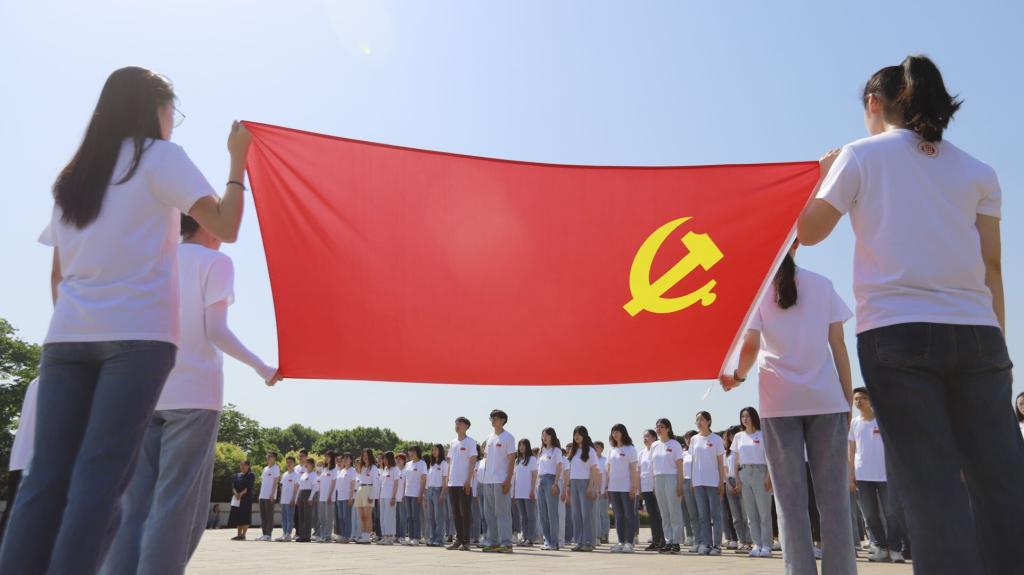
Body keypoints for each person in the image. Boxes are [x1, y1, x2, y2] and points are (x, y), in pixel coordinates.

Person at [0, 67, 252, 575]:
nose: (173, 121)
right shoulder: (160, 157)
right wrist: (237, 160)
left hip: (67, 338)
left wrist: (82, 323)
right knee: (100, 482)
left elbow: (59, 274)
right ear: (155, 108)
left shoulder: (76, 173)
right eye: (173, 111)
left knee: (44, 479)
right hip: (137, 338)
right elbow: (225, 226)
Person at [797, 54, 1023, 575]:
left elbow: (808, 232)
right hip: (979, 334)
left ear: (874, 103)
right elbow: (992, 265)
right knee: (1002, 480)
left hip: (896, 334)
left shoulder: (859, 156)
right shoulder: (979, 171)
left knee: (931, 485)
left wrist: (821, 176)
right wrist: (999, 349)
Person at [99, 212, 279, 572]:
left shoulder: (152, 259)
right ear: (206, 224)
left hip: (143, 392)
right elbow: (216, 330)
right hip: (194, 393)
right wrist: (262, 366)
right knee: (176, 506)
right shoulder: (216, 262)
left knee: (134, 504)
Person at [720, 242, 856, 574]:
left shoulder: (758, 289)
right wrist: (846, 398)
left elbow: (751, 345)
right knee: (834, 502)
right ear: (796, 242)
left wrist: (738, 376)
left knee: (790, 504)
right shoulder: (823, 284)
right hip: (826, 400)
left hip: (779, 403)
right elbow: (838, 344)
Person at [849, 387, 905, 562]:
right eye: (856, 399)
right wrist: (850, 475)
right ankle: (880, 547)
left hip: (885, 475)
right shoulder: (854, 423)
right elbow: (851, 450)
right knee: (869, 514)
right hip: (862, 475)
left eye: (863, 398)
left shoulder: (883, 421)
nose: (859, 402)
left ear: (871, 400)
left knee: (891, 513)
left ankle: (895, 549)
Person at [1, 377, 39, 541]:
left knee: (13, 520)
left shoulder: (36, 382)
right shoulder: (63, 380)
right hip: (41, 461)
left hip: (20, 460)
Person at [733, 407, 773, 557]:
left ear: (754, 417)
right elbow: (736, 459)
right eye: (743, 416)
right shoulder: (738, 436)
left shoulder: (763, 434)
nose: (745, 419)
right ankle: (757, 543)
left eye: (748, 416)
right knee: (750, 513)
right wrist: (737, 478)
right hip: (744, 472)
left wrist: (769, 476)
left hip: (760, 472)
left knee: (764, 512)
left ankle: (767, 545)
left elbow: (770, 457)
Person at [688, 412, 727, 556]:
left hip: (713, 482)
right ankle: (706, 543)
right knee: (703, 516)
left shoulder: (716, 439)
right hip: (698, 482)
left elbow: (720, 463)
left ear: (709, 421)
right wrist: (692, 481)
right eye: (697, 420)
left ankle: (717, 544)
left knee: (716, 515)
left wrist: (721, 482)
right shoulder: (694, 439)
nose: (699, 422)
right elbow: (693, 461)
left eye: (702, 420)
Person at [479, 409, 516, 553]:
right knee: (489, 513)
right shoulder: (489, 438)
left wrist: (508, 479)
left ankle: (506, 543)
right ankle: (493, 542)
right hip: (488, 480)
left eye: (495, 418)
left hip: (501, 480)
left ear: (502, 420)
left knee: (502, 512)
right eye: (491, 418)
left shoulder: (508, 437)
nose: (492, 420)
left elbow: (512, 459)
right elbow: (486, 459)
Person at [651, 418, 685, 554]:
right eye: (657, 427)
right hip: (658, 478)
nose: (659, 429)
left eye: (662, 427)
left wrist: (680, 483)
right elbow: (653, 466)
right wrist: (654, 484)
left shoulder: (675, 444)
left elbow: (680, 465)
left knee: (674, 511)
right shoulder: (654, 445)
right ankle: (668, 541)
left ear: (668, 429)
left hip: (672, 478)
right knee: (664, 512)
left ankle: (676, 542)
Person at [565, 426, 600, 552]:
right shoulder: (573, 452)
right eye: (575, 434)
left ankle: (588, 542)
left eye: (579, 434)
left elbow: (594, 469)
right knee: (576, 515)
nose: (577, 436)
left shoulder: (590, 450)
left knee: (587, 515)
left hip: (585, 482)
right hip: (574, 483)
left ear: (584, 435)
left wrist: (591, 486)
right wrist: (568, 486)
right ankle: (579, 541)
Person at [606, 424, 639, 553]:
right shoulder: (611, 450)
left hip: (626, 488)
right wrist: (607, 486)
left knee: (629, 515)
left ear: (623, 433)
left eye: (617, 432)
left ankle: (629, 542)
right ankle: (620, 542)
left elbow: (634, 470)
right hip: (614, 487)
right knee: (618, 516)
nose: (615, 434)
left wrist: (633, 487)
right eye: (613, 432)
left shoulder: (630, 449)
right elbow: (608, 470)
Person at [446, 417, 478, 551]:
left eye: (459, 423)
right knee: (455, 513)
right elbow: (450, 463)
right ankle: (458, 539)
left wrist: (468, 480)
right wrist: (447, 480)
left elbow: (473, 461)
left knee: (465, 512)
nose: (457, 426)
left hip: (464, 482)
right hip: (452, 483)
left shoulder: (471, 442)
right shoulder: (453, 443)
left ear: (466, 426)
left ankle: (466, 541)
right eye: (456, 423)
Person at [722, 426, 752, 553]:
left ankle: (749, 541)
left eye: (734, 434)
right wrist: (728, 484)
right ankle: (741, 541)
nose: (732, 437)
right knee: (736, 516)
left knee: (745, 514)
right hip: (729, 481)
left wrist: (739, 481)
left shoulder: (742, 450)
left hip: (741, 480)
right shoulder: (726, 453)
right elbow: (724, 469)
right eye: (730, 435)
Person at [638, 429, 665, 552]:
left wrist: (655, 485)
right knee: (652, 515)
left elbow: (657, 468)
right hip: (645, 487)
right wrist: (639, 487)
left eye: (647, 436)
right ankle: (655, 540)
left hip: (656, 486)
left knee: (660, 514)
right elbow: (639, 470)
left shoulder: (657, 450)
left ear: (654, 438)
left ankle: (664, 540)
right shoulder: (641, 453)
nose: (645, 438)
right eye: (644, 436)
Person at [536, 428, 564, 551]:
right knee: (543, 514)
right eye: (543, 435)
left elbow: (559, 466)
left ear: (552, 436)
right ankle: (547, 541)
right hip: (541, 481)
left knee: (552, 513)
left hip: (551, 480)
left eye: (547, 435)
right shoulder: (542, 451)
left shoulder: (556, 450)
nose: (544, 437)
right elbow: (538, 469)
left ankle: (554, 542)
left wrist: (555, 483)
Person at [512, 439, 539, 547]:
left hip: (528, 492)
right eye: (520, 445)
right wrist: (514, 493)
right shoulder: (517, 461)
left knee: (530, 516)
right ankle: (525, 537)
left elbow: (534, 475)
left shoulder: (532, 459)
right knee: (523, 517)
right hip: (519, 492)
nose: (521, 447)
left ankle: (531, 538)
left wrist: (532, 489)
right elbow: (515, 478)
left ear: (527, 446)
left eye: (523, 445)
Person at [402, 446, 427, 545]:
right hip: (407, 493)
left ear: (417, 452)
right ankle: (411, 537)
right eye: (410, 451)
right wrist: (403, 493)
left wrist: (421, 494)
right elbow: (405, 480)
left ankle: (416, 537)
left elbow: (423, 479)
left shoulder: (422, 464)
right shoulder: (407, 464)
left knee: (415, 516)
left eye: (413, 451)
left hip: (416, 494)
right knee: (409, 516)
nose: (411, 453)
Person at [425, 444, 449, 546]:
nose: (434, 452)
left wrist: (443, 493)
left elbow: (445, 479)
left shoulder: (444, 464)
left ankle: (439, 539)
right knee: (430, 517)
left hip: (438, 490)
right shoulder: (432, 464)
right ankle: (432, 538)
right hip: (430, 490)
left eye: (436, 450)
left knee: (438, 517)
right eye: (433, 450)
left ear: (440, 451)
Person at [254, 453, 282, 542]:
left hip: (270, 496)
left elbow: (276, 482)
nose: (268, 458)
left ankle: (268, 535)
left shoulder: (276, 468)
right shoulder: (265, 468)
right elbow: (263, 482)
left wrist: (272, 494)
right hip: (262, 495)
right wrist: (260, 495)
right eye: (267, 456)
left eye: (270, 456)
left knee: (269, 516)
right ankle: (264, 534)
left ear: (274, 458)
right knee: (263, 516)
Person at [354, 449, 379, 544]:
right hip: (360, 489)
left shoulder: (374, 468)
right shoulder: (362, 467)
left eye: (367, 455)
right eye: (363, 455)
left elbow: (375, 482)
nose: (365, 457)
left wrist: (372, 495)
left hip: (369, 489)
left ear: (370, 456)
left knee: (368, 516)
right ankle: (363, 535)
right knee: (362, 516)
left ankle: (367, 537)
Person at [227, 461, 256, 541]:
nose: (243, 467)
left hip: (246, 498)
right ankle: (239, 535)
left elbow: (249, 486)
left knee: (245, 516)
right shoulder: (236, 475)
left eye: (244, 465)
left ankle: (243, 535)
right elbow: (233, 486)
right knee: (238, 516)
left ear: (248, 466)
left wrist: (241, 494)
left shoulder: (251, 475)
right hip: (237, 498)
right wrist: (236, 493)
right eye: (241, 465)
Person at [276, 457, 301, 542]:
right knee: (284, 518)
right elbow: (282, 487)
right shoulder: (285, 474)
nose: (289, 464)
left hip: (291, 500)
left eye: (290, 462)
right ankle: (284, 533)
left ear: (294, 463)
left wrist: (294, 499)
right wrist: (280, 498)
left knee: (290, 517)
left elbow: (297, 487)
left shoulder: (296, 474)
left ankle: (288, 534)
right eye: (287, 462)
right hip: (284, 500)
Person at [378, 452, 400, 545]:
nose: (383, 460)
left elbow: (396, 484)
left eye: (385, 459)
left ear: (389, 459)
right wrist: (379, 497)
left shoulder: (395, 469)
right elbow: (382, 484)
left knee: (389, 517)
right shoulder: (385, 469)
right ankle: (384, 536)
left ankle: (390, 537)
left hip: (390, 497)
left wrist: (393, 497)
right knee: (382, 517)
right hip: (383, 496)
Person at [333, 453, 356, 543]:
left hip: (347, 497)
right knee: (341, 518)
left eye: (347, 458)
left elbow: (353, 484)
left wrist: (351, 497)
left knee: (346, 517)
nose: (345, 460)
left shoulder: (352, 471)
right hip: (340, 497)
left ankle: (347, 536)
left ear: (351, 460)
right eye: (344, 458)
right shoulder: (341, 471)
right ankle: (342, 535)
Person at [295, 458, 316, 542]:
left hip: (308, 493)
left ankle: (306, 536)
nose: (306, 465)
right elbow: (299, 487)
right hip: (301, 494)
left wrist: (311, 497)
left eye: (308, 463)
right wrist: (296, 498)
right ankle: (301, 534)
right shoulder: (304, 474)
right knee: (301, 516)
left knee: (307, 516)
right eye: (305, 463)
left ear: (312, 465)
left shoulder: (314, 475)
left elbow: (314, 487)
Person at [593, 441, 610, 544]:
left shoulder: (606, 460)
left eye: (597, 447)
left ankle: (604, 535)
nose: (595, 449)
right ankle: (597, 535)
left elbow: (608, 475)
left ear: (602, 449)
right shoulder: (591, 460)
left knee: (603, 514)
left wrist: (607, 488)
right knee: (595, 514)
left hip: (603, 491)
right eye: (593, 447)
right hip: (594, 492)